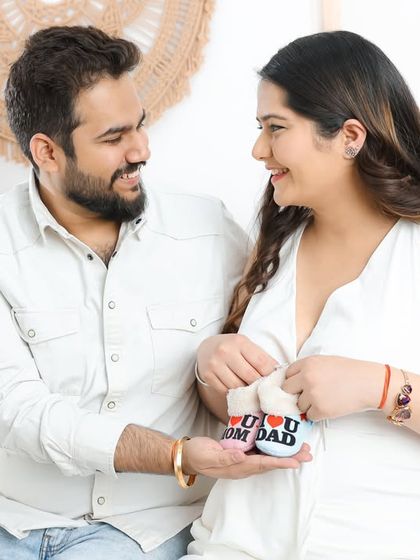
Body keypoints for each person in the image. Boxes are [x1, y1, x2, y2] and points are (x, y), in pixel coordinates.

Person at [0, 26, 312, 560]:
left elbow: (277, 348)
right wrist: (175, 455)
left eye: (139, 126)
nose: (141, 149)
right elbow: (17, 410)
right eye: (113, 137)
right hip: (15, 518)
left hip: (144, 531)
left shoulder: (208, 230)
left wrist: (216, 359)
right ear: (47, 153)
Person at [184, 30, 420, 559]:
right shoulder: (274, 246)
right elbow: (236, 410)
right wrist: (211, 367)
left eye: (276, 129)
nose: (258, 149)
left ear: (349, 137)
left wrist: (383, 388)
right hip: (232, 544)